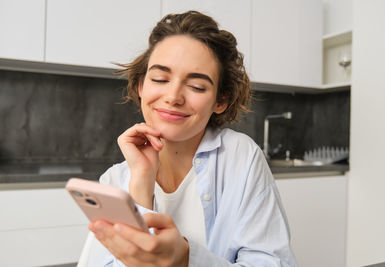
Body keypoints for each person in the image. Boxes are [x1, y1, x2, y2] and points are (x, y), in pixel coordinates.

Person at [82, 10, 297, 267]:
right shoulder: (114, 181)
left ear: (220, 100)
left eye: (196, 86)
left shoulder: (241, 157)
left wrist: (186, 259)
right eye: (160, 78)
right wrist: (140, 186)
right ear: (141, 86)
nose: (173, 96)